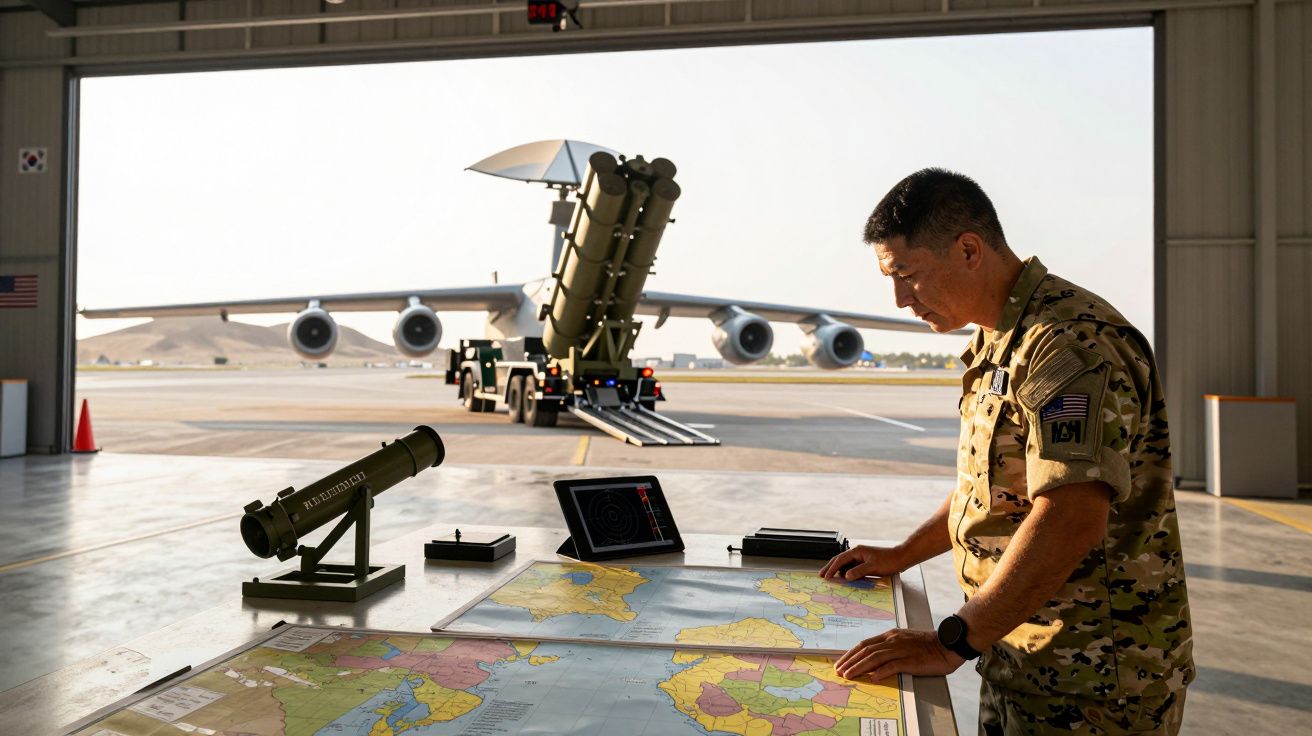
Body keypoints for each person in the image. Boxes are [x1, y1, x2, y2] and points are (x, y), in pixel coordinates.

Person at [819, 168, 1194, 734]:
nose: (899, 300)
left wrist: (954, 640)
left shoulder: (1069, 344)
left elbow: (1070, 517)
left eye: (909, 276)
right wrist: (902, 553)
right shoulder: (996, 338)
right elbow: (994, 490)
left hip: (1093, 685)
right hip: (1017, 654)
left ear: (968, 249)